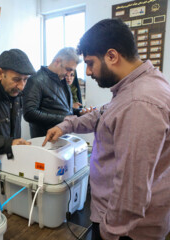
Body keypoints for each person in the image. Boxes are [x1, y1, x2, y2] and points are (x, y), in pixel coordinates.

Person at [43, 19, 170, 240]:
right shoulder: (136, 86)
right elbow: (104, 113)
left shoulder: (139, 103)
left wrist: (110, 232)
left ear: (112, 56)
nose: (89, 72)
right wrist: (66, 125)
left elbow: (132, 191)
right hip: (116, 219)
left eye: (90, 63)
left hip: (126, 229)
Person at [23, 47, 82, 138]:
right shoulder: (36, 80)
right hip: (44, 142)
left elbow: (63, 109)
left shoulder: (61, 80)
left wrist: (79, 113)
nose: (69, 74)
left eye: (72, 70)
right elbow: (29, 113)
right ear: (57, 61)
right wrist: (64, 119)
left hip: (62, 138)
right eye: (68, 69)